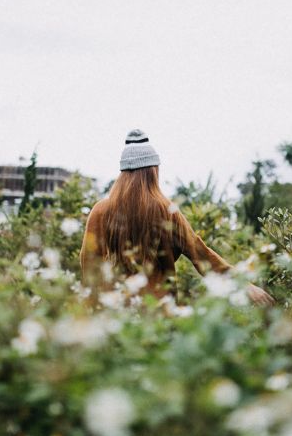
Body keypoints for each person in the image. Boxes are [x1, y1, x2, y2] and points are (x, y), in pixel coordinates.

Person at [79, 129, 275, 307]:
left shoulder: (100, 211)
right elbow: (203, 257)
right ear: (153, 172)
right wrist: (245, 285)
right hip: (159, 317)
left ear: (122, 174)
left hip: (115, 316)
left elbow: (89, 269)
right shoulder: (167, 212)